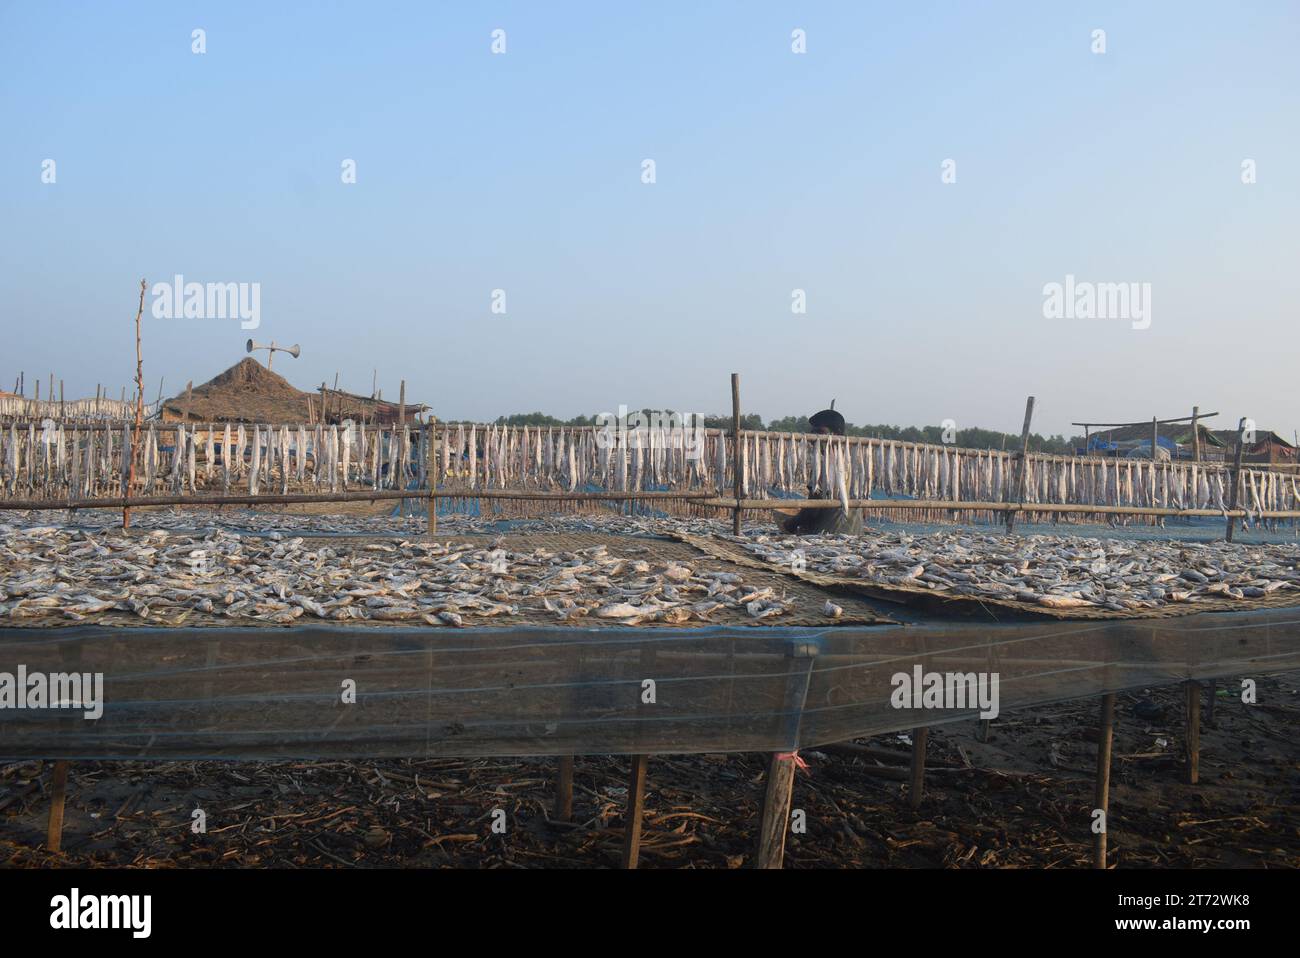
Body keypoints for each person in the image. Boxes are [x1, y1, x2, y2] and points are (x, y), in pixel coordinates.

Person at [779, 406, 865, 535]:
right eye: (812, 432)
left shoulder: (825, 464)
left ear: (836, 434)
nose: (814, 438)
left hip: (830, 534)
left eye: (820, 431)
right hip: (855, 533)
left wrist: (791, 523)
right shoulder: (855, 460)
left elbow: (813, 509)